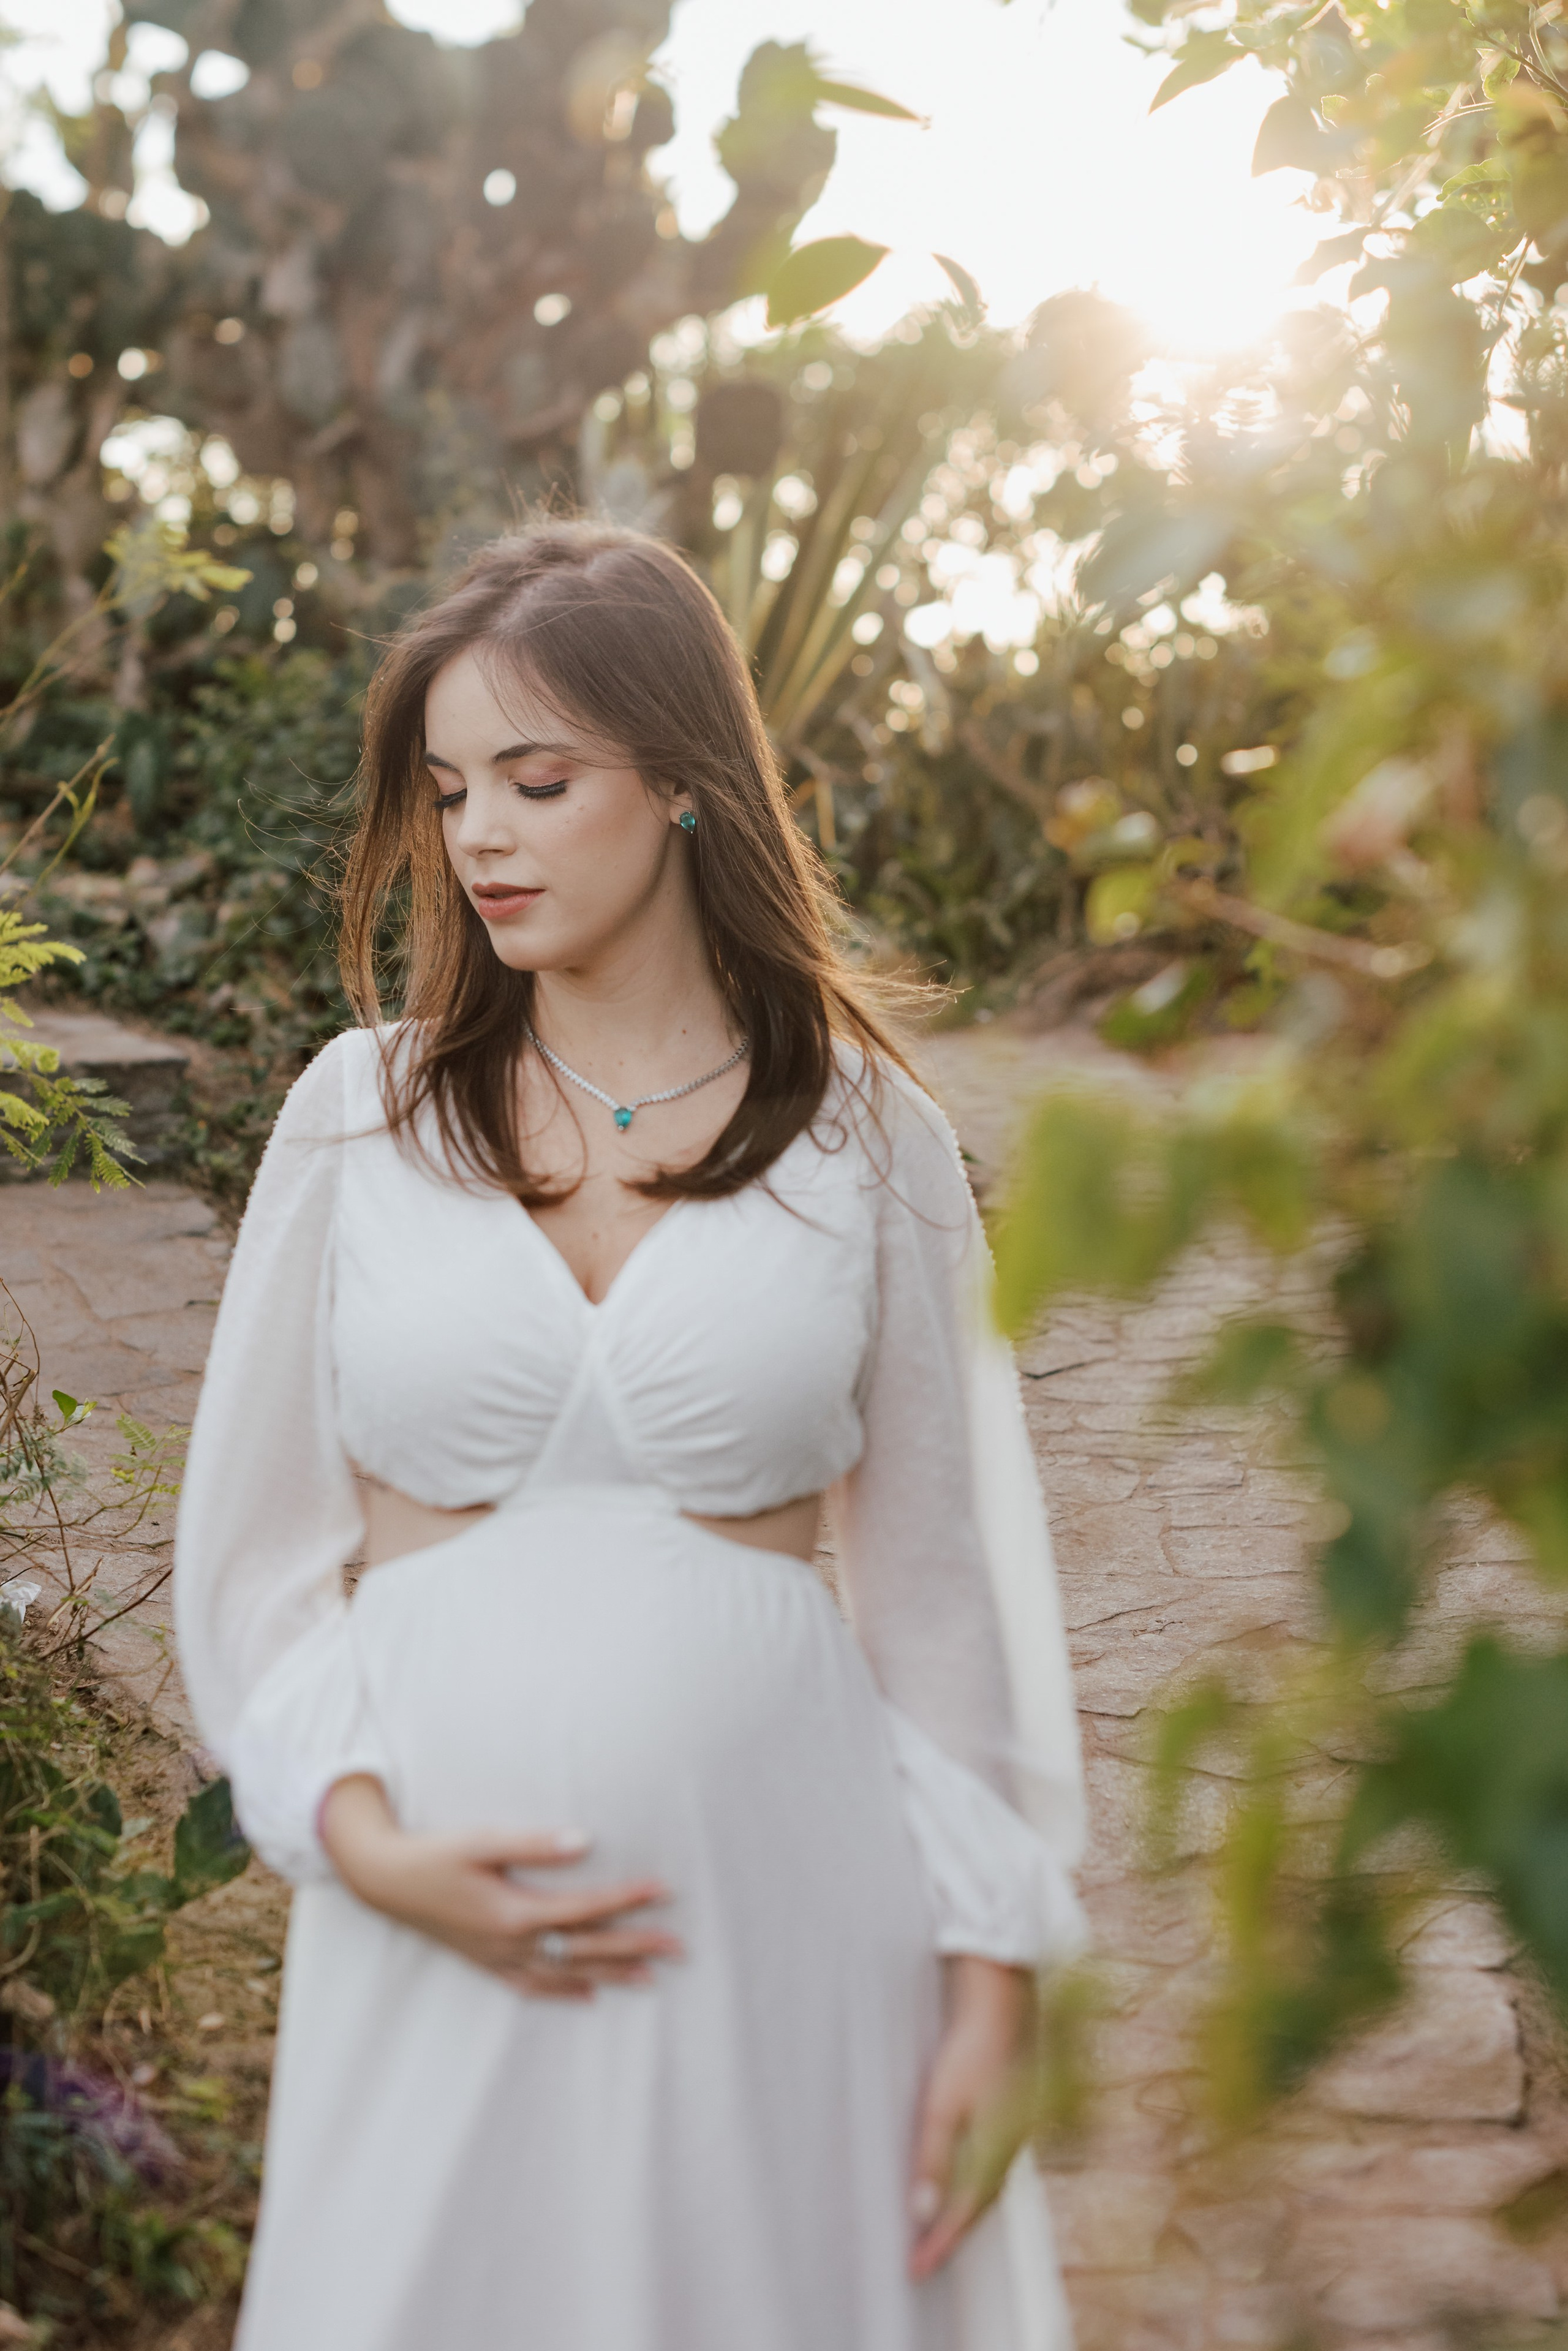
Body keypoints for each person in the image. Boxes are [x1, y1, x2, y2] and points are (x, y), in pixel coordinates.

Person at [173, 521, 1086, 2351]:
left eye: (536, 778)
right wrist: (361, 1842)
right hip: (431, 1923)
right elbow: (253, 1558)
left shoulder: (866, 1137)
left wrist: (993, 1989)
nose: (478, 835)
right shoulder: (363, 1117)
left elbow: (946, 1599)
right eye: (446, 791)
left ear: (680, 783)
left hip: (789, 1923)